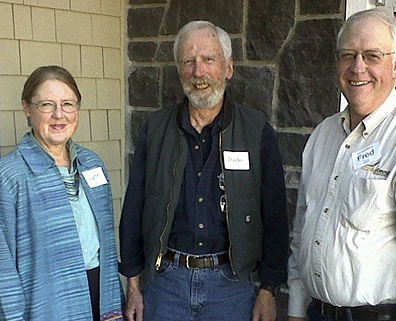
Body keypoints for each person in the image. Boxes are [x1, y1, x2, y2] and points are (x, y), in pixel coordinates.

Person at [119, 20, 289, 321]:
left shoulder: (256, 131)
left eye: (209, 60)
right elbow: (134, 207)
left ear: (228, 68)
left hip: (232, 288)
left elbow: (275, 214)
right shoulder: (155, 130)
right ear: (179, 70)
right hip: (166, 286)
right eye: (189, 61)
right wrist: (133, 285)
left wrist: (269, 289)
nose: (198, 72)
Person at [287, 8, 396, 321]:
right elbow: (302, 231)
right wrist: (297, 309)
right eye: (348, 55)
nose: (357, 68)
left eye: (372, 56)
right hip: (317, 314)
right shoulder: (323, 135)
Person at [0, 66, 124, 321]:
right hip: (47, 305)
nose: (59, 115)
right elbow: (0, 269)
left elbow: (104, 247)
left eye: (68, 104)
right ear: (27, 108)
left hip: (100, 297)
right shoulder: (7, 177)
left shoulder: (91, 164)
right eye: (47, 105)